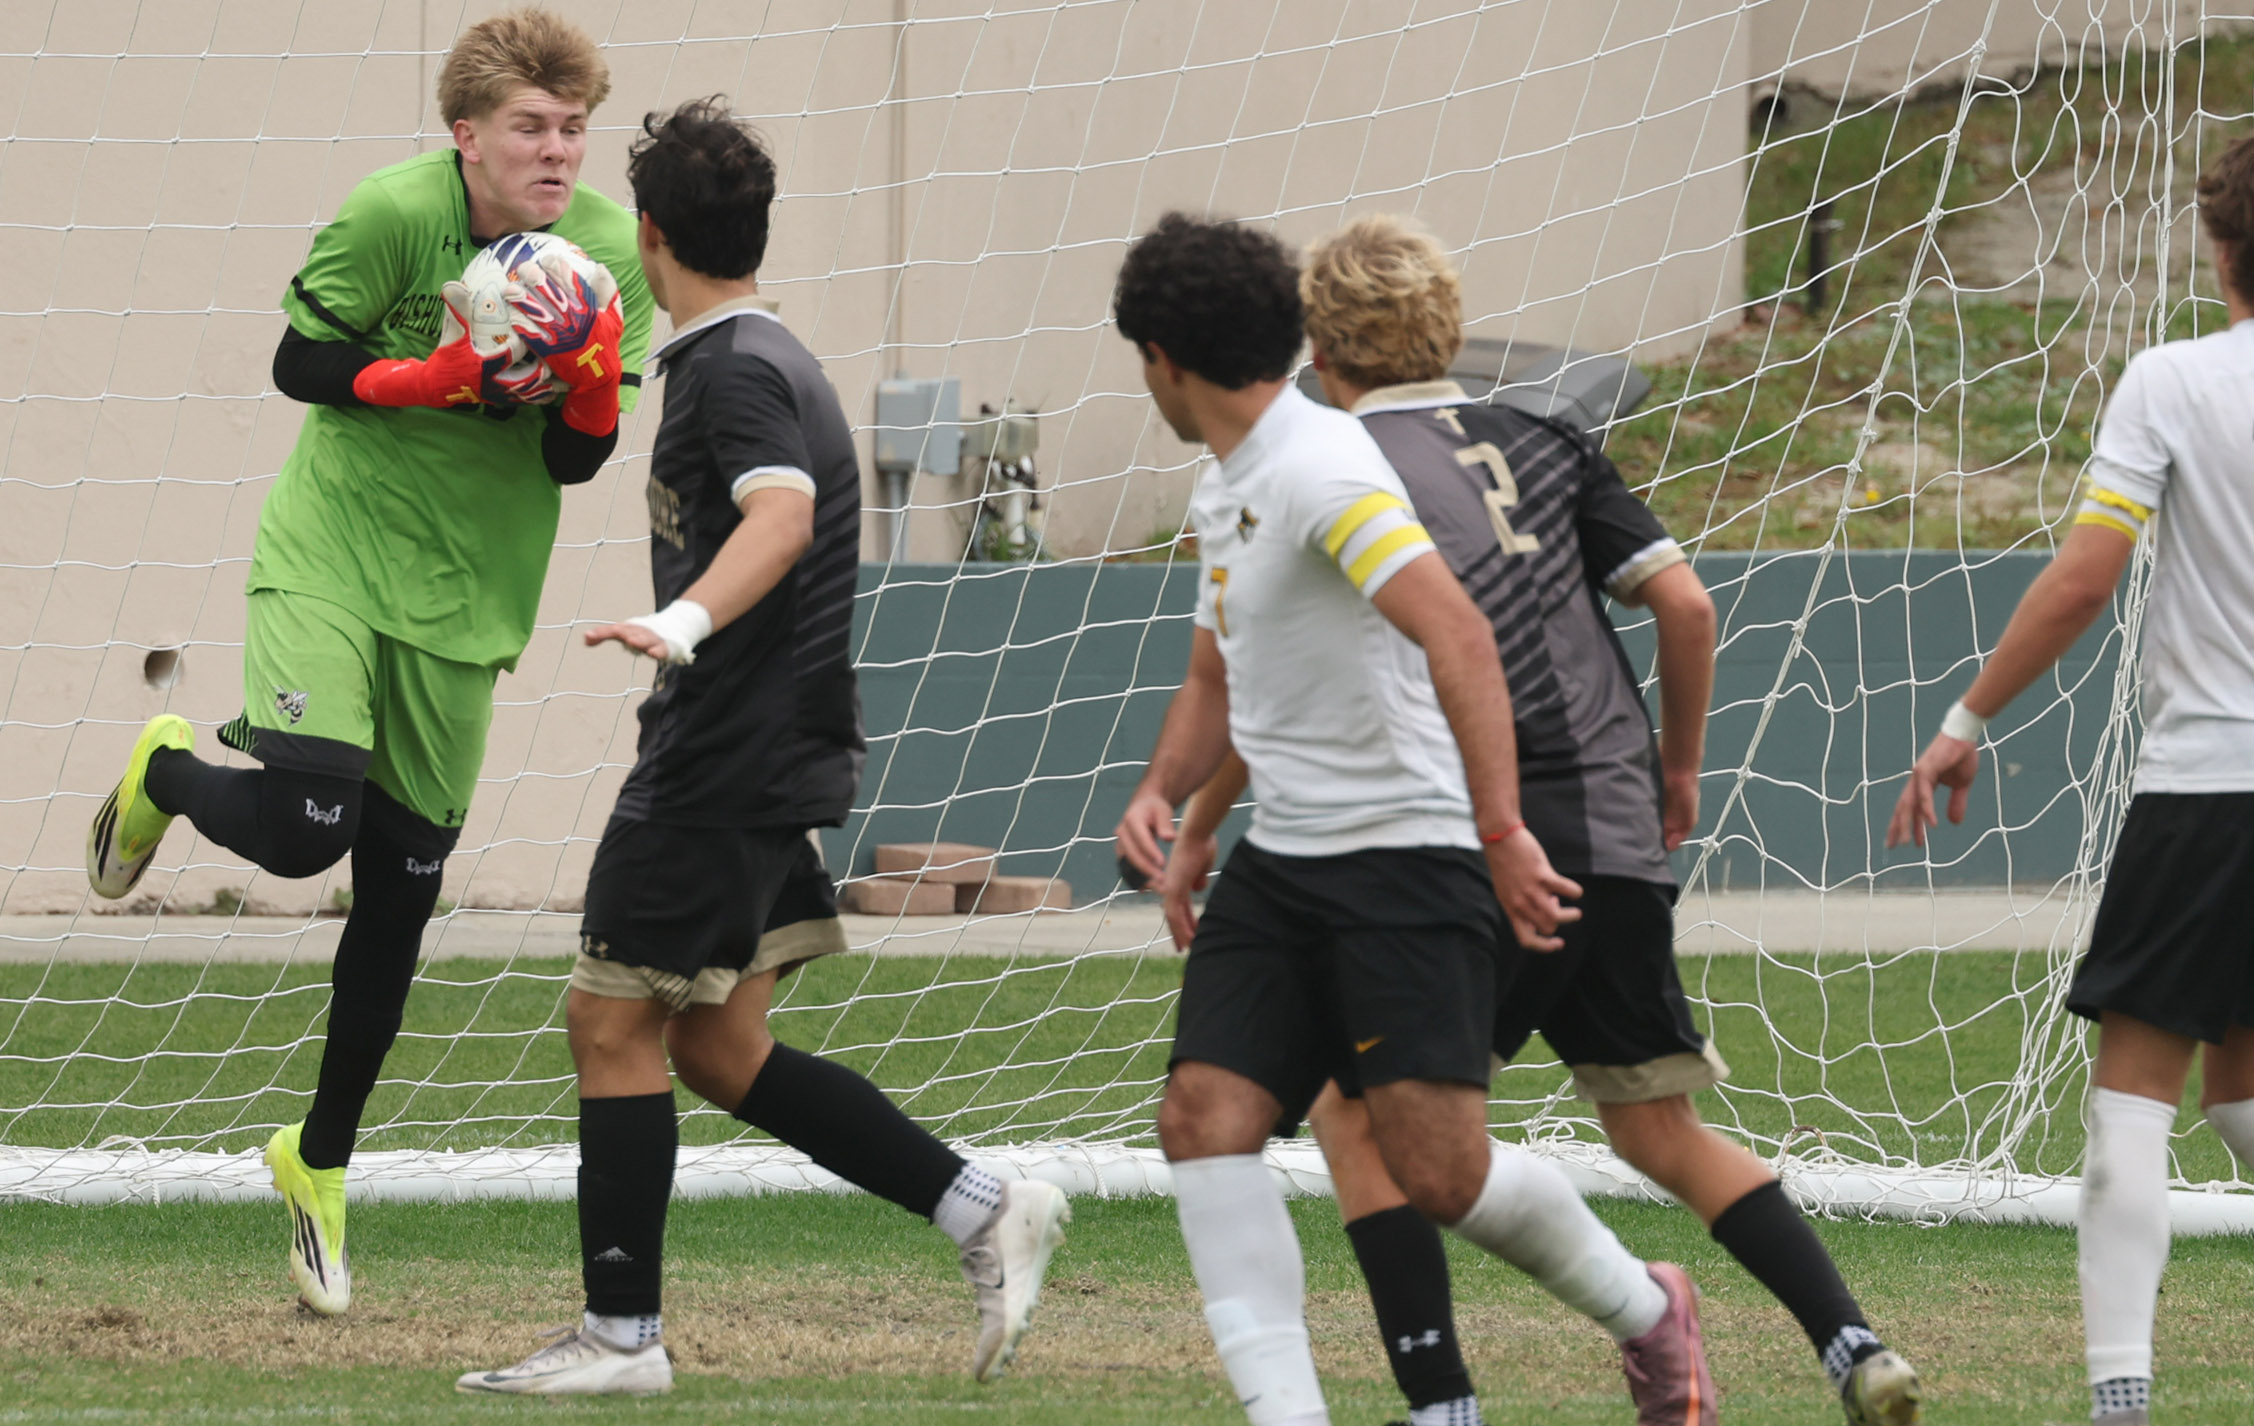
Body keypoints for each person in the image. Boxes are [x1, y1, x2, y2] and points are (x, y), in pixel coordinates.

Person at [1159, 214, 1925, 1426]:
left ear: (1321, 337)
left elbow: (1315, 686)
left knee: (1366, 1121)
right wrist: (1676, 769)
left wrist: (1198, 814)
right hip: (1614, 823)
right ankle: (1848, 1338)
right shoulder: (1544, 431)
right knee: (1654, 1123)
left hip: (1472, 825)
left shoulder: (1329, 459)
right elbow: (1683, 602)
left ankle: (1445, 1396)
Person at [458, 98, 1068, 1398]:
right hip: (765, 743)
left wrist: (677, 620)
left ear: (656, 237)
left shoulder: (736, 371)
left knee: (607, 1020)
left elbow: (779, 516)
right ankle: (983, 1206)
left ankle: (622, 1338)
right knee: (719, 1049)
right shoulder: (763, 352)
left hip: (722, 751)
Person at [82, 6, 651, 1316]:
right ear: (468, 137)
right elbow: (299, 360)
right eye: (529, 128)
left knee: (396, 899)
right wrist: (435, 375)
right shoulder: (393, 213)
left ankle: (319, 1159)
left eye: (572, 129)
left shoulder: (604, 257)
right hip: (333, 552)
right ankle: (169, 771)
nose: (557, 152)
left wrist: (593, 386)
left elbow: (574, 462)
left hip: (466, 606)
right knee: (302, 831)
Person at [1111, 212, 1711, 1426]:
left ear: (1164, 357)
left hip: (1408, 859)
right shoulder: (1223, 481)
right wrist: (1168, 805)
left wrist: (1498, 831)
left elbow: (1456, 633)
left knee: (1436, 1169)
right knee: (1202, 1118)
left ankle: (1648, 1311)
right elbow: (1215, 676)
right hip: (1287, 865)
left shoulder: (1324, 469)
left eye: (1138, 359)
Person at [1887, 134, 2254, 1426]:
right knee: (2244, 1089)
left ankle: (2118, 1399)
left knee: (2134, 1099)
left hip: (2211, 783)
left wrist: (1962, 716)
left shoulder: (2171, 379)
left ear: (2215, 250)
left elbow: (2085, 575)